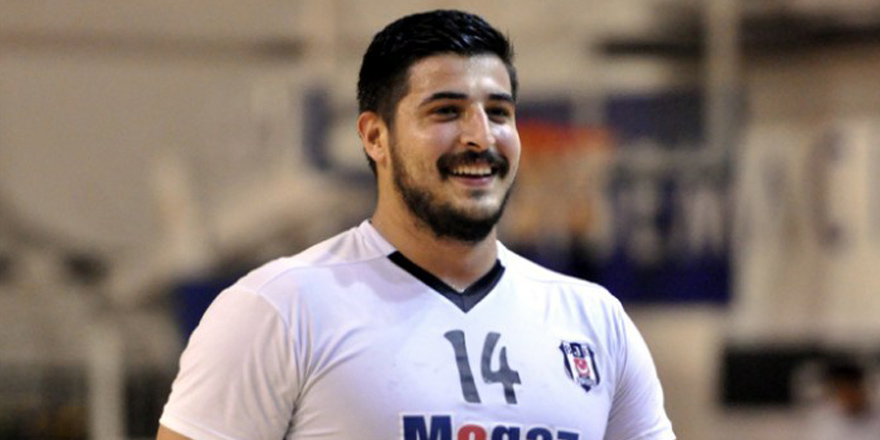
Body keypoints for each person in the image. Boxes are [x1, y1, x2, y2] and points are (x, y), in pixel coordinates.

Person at [157, 9, 675, 440]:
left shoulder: (596, 322)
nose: (481, 137)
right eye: (446, 111)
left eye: (498, 112)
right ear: (374, 137)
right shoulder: (277, 310)